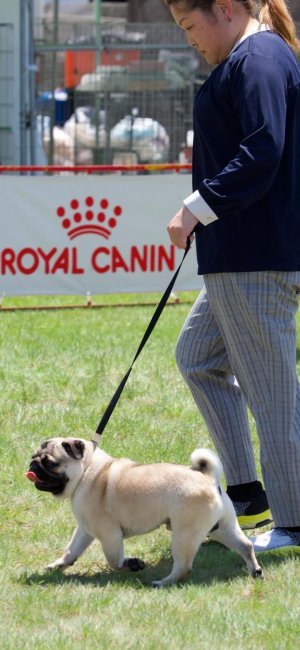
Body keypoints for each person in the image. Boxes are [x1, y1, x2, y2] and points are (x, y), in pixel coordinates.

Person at [165, 0, 300, 551]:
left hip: (255, 259)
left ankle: (293, 524)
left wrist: (197, 206)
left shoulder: (259, 57)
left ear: (223, 9)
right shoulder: (249, 59)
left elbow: (264, 148)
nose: (189, 40)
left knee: (273, 396)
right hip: (238, 259)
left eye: (190, 26)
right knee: (197, 358)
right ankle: (246, 494)